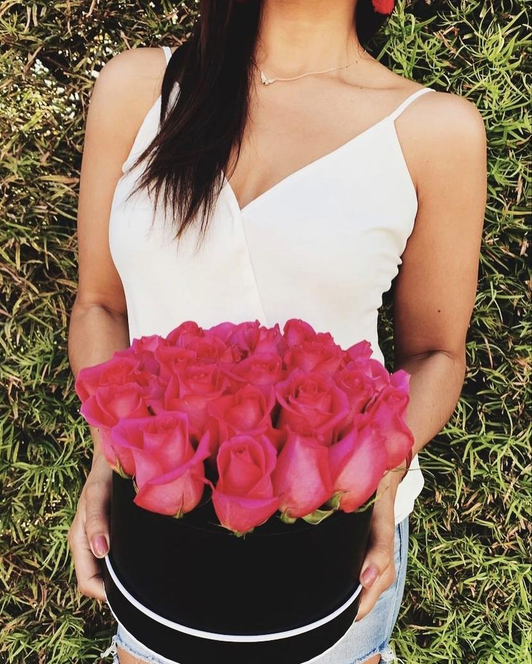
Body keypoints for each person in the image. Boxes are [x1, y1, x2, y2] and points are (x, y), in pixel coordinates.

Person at [67, 1, 487, 662]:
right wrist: (109, 456)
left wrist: (376, 470)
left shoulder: (435, 131)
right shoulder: (138, 88)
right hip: (156, 521)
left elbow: (434, 351)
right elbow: (99, 305)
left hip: (325, 538)